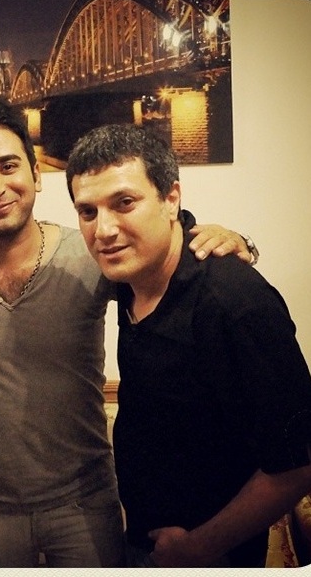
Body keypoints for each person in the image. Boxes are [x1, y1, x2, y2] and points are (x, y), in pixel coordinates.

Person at [0, 96, 254, 567]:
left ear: (36, 174)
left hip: (85, 504)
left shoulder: (94, 255)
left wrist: (234, 240)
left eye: (8, 165)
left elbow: (167, 264)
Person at [66, 123, 311, 568]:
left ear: (171, 198)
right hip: (147, 542)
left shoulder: (235, 304)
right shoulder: (128, 274)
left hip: (211, 556)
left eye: (124, 203)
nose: (103, 230)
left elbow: (297, 464)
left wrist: (200, 546)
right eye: (87, 211)